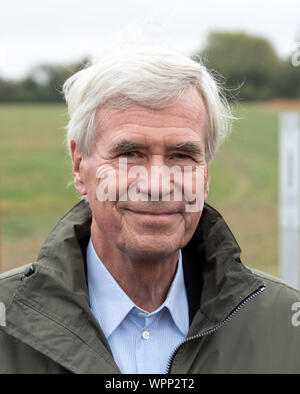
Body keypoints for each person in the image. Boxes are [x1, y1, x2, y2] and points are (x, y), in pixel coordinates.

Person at [0, 42, 300, 375]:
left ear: (206, 174)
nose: (157, 185)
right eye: (129, 154)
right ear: (79, 165)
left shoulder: (286, 329)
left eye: (182, 156)